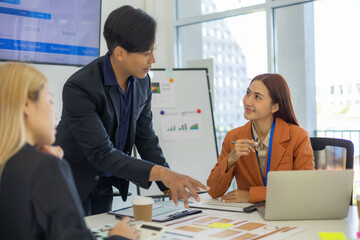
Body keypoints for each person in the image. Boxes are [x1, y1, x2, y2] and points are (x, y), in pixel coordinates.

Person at [55, 5, 208, 216]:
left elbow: (146, 138)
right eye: (147, 53)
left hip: (105, 184)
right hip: (71, 185)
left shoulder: (142, 83)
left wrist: (168, 183)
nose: (153, 60)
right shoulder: (80, 87)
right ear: (120, 53)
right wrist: (162, 173)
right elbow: (101, 152)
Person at [0, 63, 139, 240]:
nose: (56, 115)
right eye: (50, 101)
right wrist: (119, 237)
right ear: (27, 105)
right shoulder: (45, 167)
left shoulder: (13, 164)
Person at [207, 73, 314, 203]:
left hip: (286, 213)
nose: (247, 101)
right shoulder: (233, 137)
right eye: (248, 93)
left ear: (275, 106)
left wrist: (251, 195)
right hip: (248, 217)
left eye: (257, 97)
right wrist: (231, 158)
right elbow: (213, 191)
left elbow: (304, 188)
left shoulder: (297, 136)